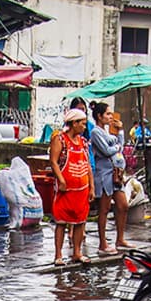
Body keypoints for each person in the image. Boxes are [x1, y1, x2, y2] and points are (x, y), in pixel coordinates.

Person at [49, 108, 93, 265]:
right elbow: (53, 161)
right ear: (74, 123)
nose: (84, 127)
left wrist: (91, 186)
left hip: (82, 190)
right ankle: (58, 255)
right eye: (82, 123)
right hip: (65, 190)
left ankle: (77, 253)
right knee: (61, 222)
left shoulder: (83, 142)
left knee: (80, 222)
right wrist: (61, 180)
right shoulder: (60, 140)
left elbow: (87, 165)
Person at [88, 101, 128, 254]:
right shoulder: (96, 132)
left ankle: (120, 238)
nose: (110, 116)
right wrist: (117, 146)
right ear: (99, 116)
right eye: (107, 114)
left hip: (115, 174)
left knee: (123, 205)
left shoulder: (109, 132)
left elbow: (119, 146)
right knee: (104, 209)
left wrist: (120, 132)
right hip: (103, 175)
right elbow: (106, 150)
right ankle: (102, 243)